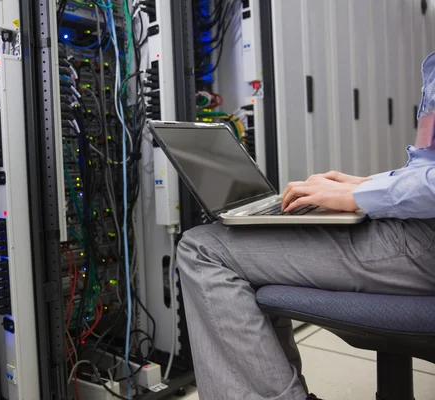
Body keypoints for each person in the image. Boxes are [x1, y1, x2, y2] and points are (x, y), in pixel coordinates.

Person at [176, 52, 435, 400]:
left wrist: (361, 193)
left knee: (203, 247)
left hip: (424, 244)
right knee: (246, 239)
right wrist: (368, 183)